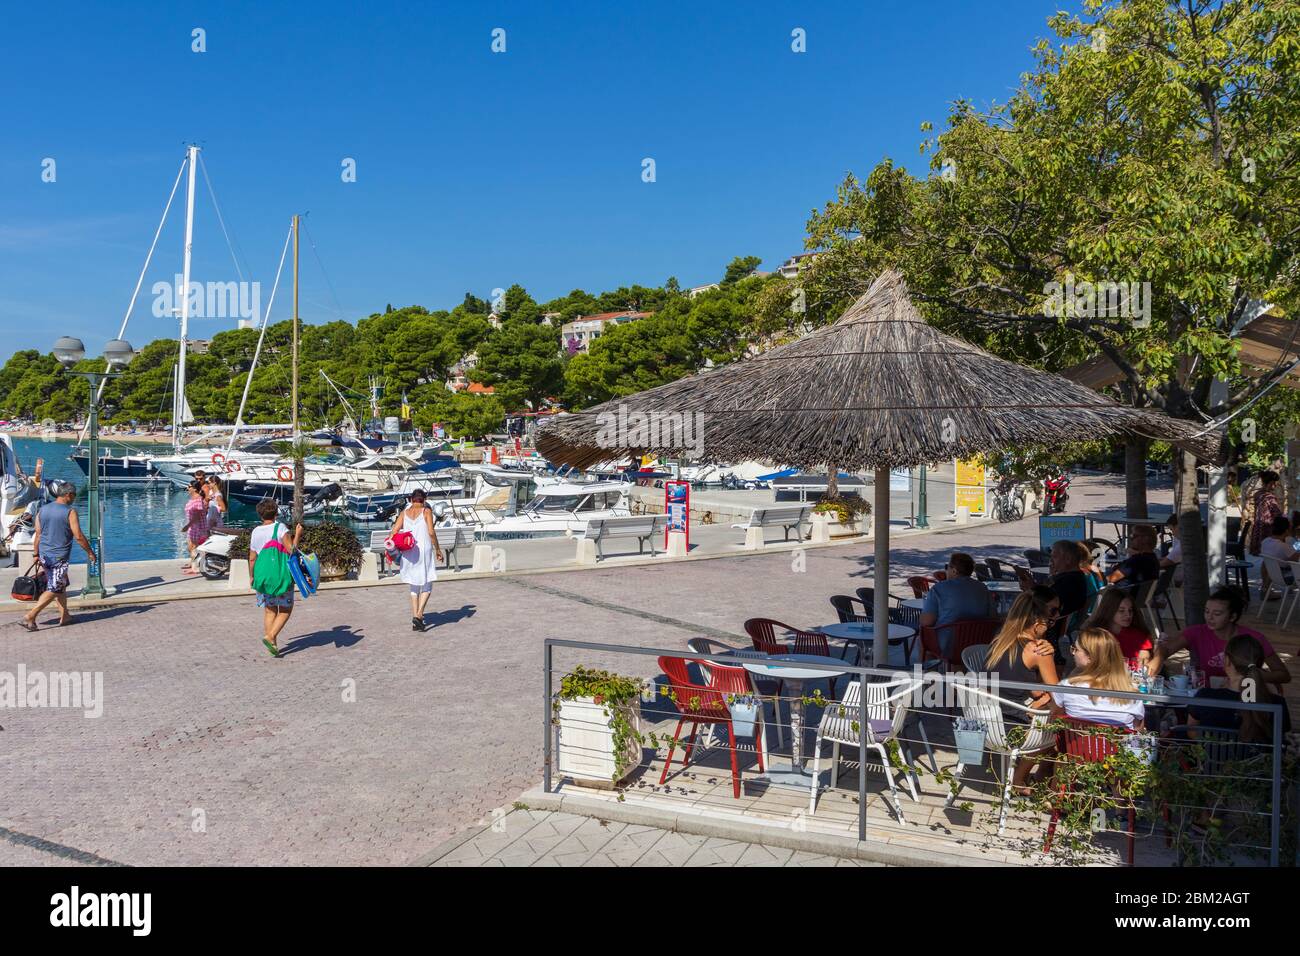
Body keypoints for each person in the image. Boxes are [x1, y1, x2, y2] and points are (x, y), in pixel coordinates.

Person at [983, 586, 1061, 789]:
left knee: (1046, 707)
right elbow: (1059, 696)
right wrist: (1045, 700)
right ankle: (1020, 778)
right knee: (1064, 725)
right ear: (1036, 624)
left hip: (988, 723)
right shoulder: (1038, 650)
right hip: (1014, 729)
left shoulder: (998, 641)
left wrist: (1040, 697)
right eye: (1047, 623)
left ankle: (1038, 774)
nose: (1048, 627)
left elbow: (1010, 681)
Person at [1149, 587, 1290, 689]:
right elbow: (1166, 650)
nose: (1209, 617)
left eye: (1217, 613)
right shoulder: (1197, 632)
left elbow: (1283, 675)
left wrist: (1256, 676)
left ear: (1233, 617)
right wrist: (1158, 654)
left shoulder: (1253, 638)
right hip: (1209, 695)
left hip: (1246, 696)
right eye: (1206, 611)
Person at [1187, 634, 1292, 743]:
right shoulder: (1277, 703)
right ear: (1259, 664)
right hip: (1259, 760)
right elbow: (1279, 740)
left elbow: (1191, 732)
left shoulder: (1205, 696)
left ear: (1227, 661)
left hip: (1211, 759)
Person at [19, 482, 96, 631]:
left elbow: (38, 535)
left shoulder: (43, 510)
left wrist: (36, 554)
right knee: (55, 588)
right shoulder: (70, 512)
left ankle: (65, 616)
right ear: (68, 495)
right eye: (73, 495)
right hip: (58, 557)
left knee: (60, 586)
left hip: (44, 556)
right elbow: (78, 536)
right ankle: (30, 616)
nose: (74, 498)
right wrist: (90, 552)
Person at [1051, 628, 1147, 730]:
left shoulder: (1066, 687)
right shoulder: (1131, 692)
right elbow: (1138, 731)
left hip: (1078, 745)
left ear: (1090, 657)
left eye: (1076, 649)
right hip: (1118, 745)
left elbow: (1056, 717)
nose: (1073, 653)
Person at [249, 498, 303, 657]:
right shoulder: (280, 528)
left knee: (270, 610)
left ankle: (272, 646)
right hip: (280, 575)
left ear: (260, 515)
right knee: (286, 609)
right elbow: (292, 550)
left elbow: (252, 558)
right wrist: (298, 534)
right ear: (276, 512)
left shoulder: (255, 531)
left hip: (262, 575)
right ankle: (270, 636)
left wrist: (251, 576)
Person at [918, 551, 994, 655]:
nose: (946, 570)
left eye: (947, 567)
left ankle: (927, 670)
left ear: (954, 571)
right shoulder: (982, 588)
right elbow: (993, 615)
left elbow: (926, 622)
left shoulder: (938, 589)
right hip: (978, 644)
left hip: (948, 645)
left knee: (922, 638)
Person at [391, 488, 443, 631]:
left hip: (409, 551)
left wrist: (388, 546)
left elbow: (394, 531)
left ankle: (415, 617)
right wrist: (438, 549)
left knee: (414, 585)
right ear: (424, 500)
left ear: (411, 500)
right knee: (427, 583)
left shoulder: (404, 513)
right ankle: (419, 615)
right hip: (423, 550)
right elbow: (431, 532)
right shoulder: (426, 511)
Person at [1083, 588, 1153, 668]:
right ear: (1109, 610)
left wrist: (1160, 652)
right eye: (1121, 610)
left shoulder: (1138, 635)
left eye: (1130, 610)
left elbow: (1146, 669)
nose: (1128, 615)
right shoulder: (1095, 634)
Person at [1048, 540, 1092, 638]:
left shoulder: (1069, 581)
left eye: (1054, 556)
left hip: (1052, 627)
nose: (1051, 560)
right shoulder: (1075, 577)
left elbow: (1044, 602)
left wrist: (1030, 588)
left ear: (1068, 559)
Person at [1106, 524, 1161, 588]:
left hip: (1120, 594)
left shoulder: (1136, 561)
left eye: (1133, 536)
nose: (1131, 539)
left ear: (1145, 539)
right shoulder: (1152, 558)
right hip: (1139, 595)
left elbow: (1110, 579)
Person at [1258, 515, 1298, 597]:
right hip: (1285, 577)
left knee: (1265, 562)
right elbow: (1296, 560)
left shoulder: (1265, 541)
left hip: (1273, 574)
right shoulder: (1284, 546)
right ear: (1287, 531)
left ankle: (1265, 588)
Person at [1248, 470, 1283, 558]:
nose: (1275, 486)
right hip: (1267, 527)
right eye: (1274, 483)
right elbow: (1277, 514)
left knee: (1264, 556)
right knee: (1268, 555)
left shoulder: (1258, 494)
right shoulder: (1269, 497)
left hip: (1258, 525)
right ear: (1271, 483)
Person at [180, 480, 210, 575]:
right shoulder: (193, 499)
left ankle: (195, 568)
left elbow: (196, 517)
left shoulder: (198, 500)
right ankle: (194, 566)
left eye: (189, 486)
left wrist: (187, 526)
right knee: (190, 547)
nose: (188, 488)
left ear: (194, 489)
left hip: (198, 527)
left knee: (195, 547)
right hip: (192, 527)